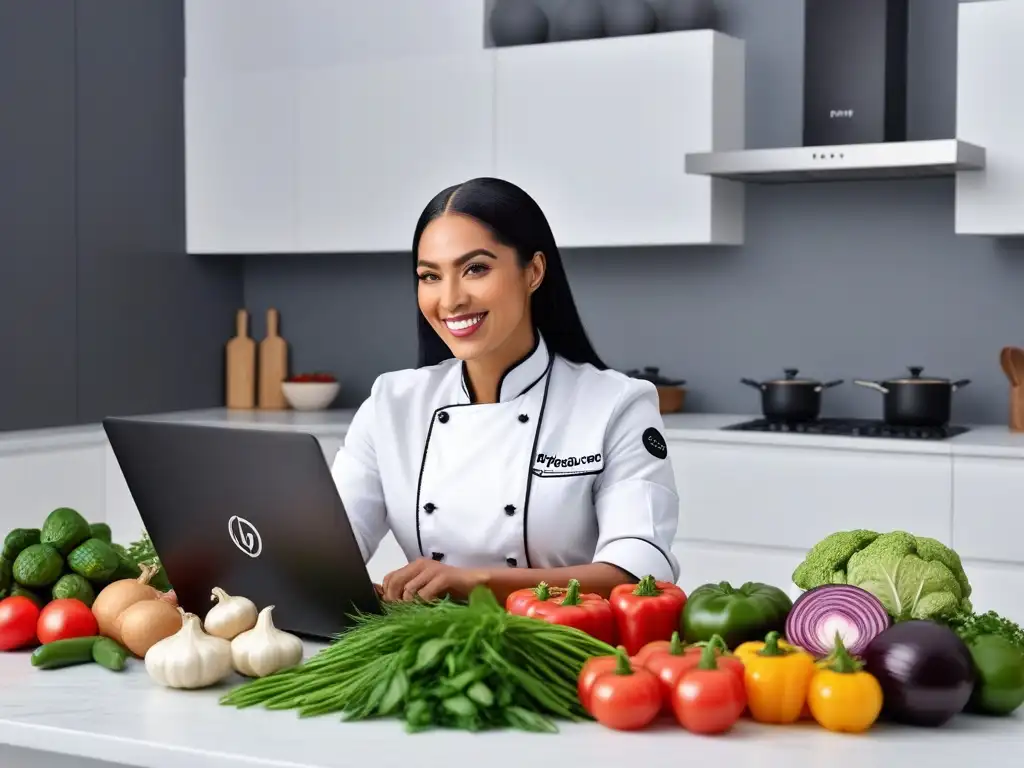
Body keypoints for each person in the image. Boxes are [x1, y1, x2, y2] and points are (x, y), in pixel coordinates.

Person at [330, 177, 680, 604]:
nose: (451, 299)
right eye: (430, 276)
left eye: (475, 268)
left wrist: (473, 582)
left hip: (567, 649)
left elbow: (639, 572)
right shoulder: (391, 404)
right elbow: (328, 548)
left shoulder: (615, 404)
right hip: (429, 648)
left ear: (533, 271)